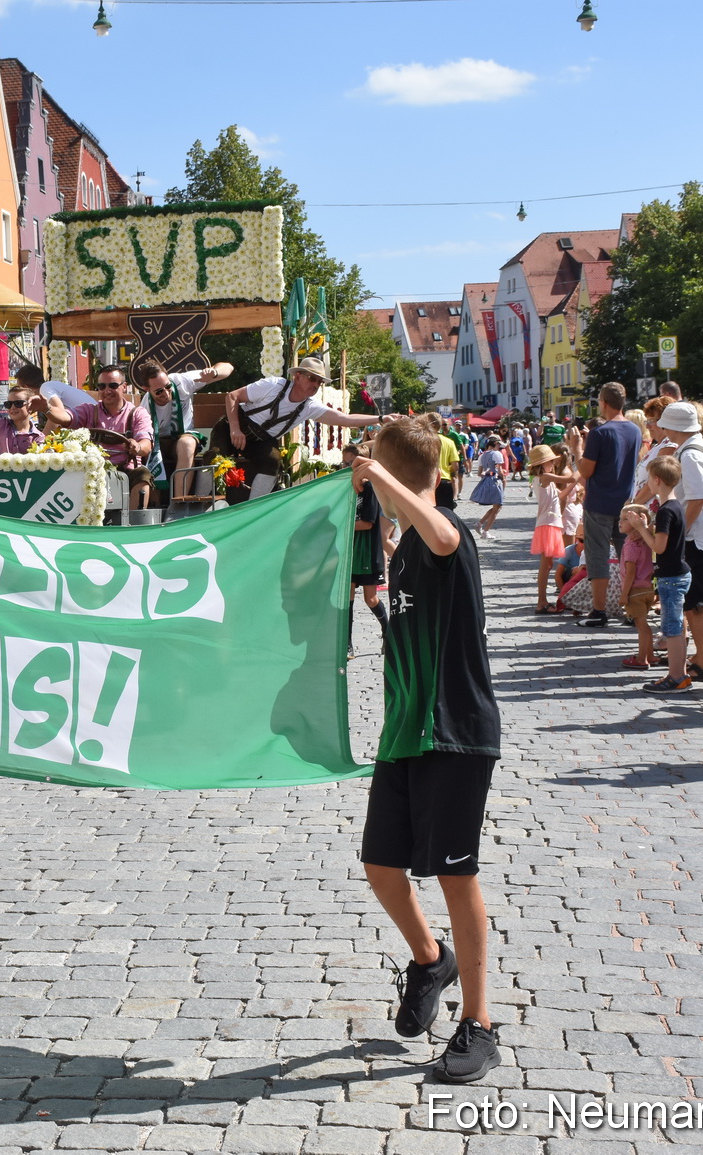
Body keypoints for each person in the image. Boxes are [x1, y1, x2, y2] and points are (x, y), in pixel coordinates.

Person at [348, 419, 501, 1085]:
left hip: (454, 730)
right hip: (405, 731)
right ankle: (428, 957)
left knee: (454, 873)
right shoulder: (403, 541)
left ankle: (480, 1023)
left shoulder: (445, 530)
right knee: (382, 865)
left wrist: (380, 478)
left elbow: (441, 531)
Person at [216, 358, 381, 500]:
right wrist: (235, 429)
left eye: (319, 382)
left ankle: (252, 508)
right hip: (232, 426)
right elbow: (232, 396)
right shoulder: (273, 385)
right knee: (214, 455)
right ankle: (199, 503)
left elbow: (345, 419)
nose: (316, 384)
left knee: (274, 461)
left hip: (260, 441)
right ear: (297, 376)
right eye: (312, 378)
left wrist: (380, 418)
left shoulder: (310, 407)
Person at [664, 402, 703, 682]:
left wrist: (681, 532)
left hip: (698, 537)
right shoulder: (696, 447)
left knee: (697, 604)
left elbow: (698, 498)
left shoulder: (690, 454)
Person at [576, 383, 641, 628]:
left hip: (599, 502)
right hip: (625, 502)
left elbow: (586, 470)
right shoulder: (634, 430)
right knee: (630, 557)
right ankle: (634, 609)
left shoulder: (600, 432)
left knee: (598, 557)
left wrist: (576, 449)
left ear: (603, 402)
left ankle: (599, 610)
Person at [139, 358, 233, 500]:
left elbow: (228, 367)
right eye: (158, 391)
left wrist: (214, 372)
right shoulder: (145, 406)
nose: (166, 393)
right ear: (147, 389)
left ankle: (179, 502)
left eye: (168, 386)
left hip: (183, 437)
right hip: (159, 442)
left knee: (186, 444)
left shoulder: (181, 381)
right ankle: (154, 505)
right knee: (148, 449)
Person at [636, 456, 693, 694]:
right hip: (679, 573)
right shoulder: (676, 505)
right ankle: (679, 674)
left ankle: (676, 676)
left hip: (671, 576)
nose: (647, 482)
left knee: (671, 628)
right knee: (677, 627)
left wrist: (640, 528)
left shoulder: (665, 511)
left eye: (649, 477)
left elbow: (659, 547)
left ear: (657, 480)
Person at [71, 365, 155, 509]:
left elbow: (146, 444)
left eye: (113, 385)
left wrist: (138, 446)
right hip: (93, 470)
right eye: (102, 386)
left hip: (126, 472)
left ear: (124, 387)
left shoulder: (137, 413)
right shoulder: (89, 410)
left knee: (143, 474)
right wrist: (47, 408)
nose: (107, 391)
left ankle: (134, 523)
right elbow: (67, 417)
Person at [343, 444, 388, 654]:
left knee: (370, 598)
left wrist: (343, 526)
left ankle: (388, 632)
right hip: (351, 550)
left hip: (367, 551)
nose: (345, 466)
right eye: (343, 462)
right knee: (347, 598)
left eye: (349, 463)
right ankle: (347, 643)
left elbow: (367, 523)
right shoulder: (346, 487)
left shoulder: (370, 488)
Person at [527, 444, 573, 613]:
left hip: (549, 522)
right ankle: (541, 601)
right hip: (548, 523)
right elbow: (571, 479)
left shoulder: (543, 479)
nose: (553, 464)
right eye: (550, 461)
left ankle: (543, 600)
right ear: (543, 464)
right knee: (545, 565)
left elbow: (558, 496)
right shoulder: (546, 477)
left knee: (547, 564)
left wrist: (572, 486)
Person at [0, 381, 69, 454]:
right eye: (8, 404)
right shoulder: (0, 425)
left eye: (18, 403)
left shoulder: (38, 437)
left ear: (31, 406)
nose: (13, 407)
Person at [617, 503, 656, 669]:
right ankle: (650, 655)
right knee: (644, 624)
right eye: (620, 518)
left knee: (642, 625)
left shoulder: (630, 545)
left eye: (625, 519)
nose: (620, 522)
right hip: (647, 588)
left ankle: (642, 658)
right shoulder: (645, 541)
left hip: (635, 590)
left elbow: (630, 572)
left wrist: (624, 594)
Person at [14, 363, 91, 426]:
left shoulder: (45, 388)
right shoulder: (49, 386)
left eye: (20, 389)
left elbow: (59, 413)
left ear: (26, 388)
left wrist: (42, 440)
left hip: (95, 424)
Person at [470, 436, 506, 538]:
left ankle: (480, 524)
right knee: (498, 506)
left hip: (486, 480)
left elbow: (479, 473)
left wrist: (487, 473)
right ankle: (485, 530)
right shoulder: (497, 454)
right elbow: (500, 470)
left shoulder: (482, 456)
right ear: (492, 445)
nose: (499, 447)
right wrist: (503, 479)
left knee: (497, 506)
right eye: (498, 445)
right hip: (495, 481)